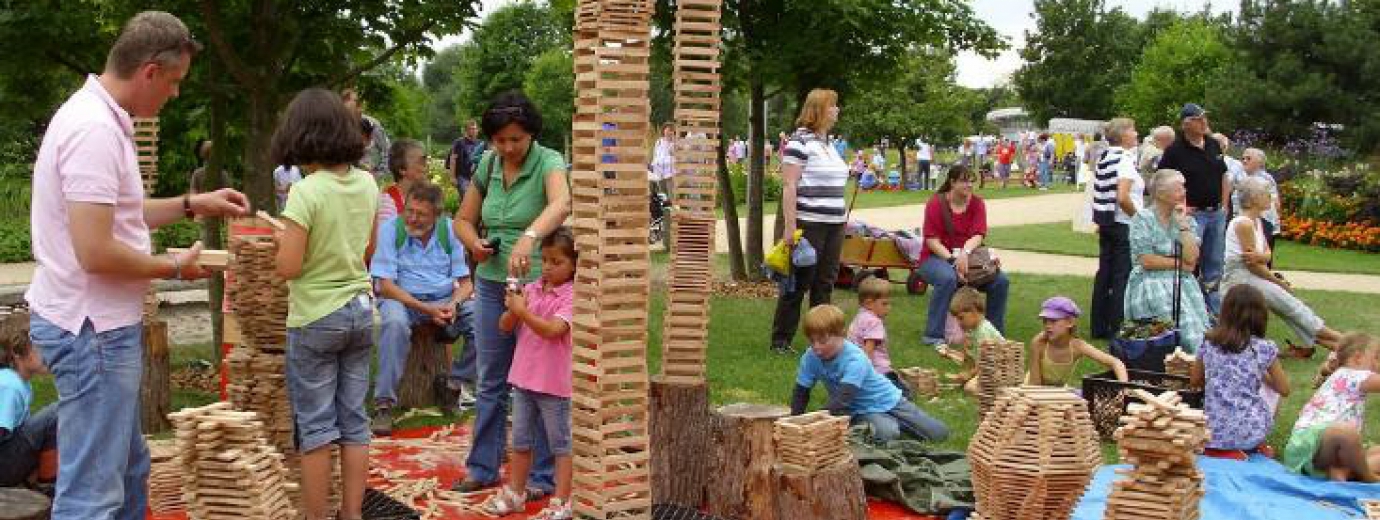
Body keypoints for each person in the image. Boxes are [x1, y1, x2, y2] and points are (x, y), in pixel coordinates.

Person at [25, 12, 250, 519]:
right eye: (173, 82)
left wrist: (194, 204)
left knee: (129, 471)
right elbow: (95, 251)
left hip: (97, 329)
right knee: (92, 495)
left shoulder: (102, 118)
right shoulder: (93, 130)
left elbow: (120, 212)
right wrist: (172, 267)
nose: (173, 95)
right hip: (93, 334)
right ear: (150, 70)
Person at [453, 90, 571, 495]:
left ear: (531, 135)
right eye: (500, 140)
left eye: (515, 139)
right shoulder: (487, 163)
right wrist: (475, 244)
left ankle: (541, 477)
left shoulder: (550, 161)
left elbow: (562, 203)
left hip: (540, 288)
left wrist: (530, 237)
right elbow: (463, 219)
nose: (507, 147)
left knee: (537, 383)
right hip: (491, 283)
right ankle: (483, 466)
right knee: (490, 379)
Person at [272, 87, 380, 520]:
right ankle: (351, 514)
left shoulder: (305, 191)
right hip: (360, 309)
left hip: (316, 316)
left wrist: (285, 242)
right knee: (354, 420)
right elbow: (369, 249)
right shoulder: (367, 183)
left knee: (315, 427)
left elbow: (289, 266)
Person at [479, 228, 577, 520]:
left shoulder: (573, 296)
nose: (547, 267)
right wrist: (513, 306)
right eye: (544, 259)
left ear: (574, 265)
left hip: (555, 384)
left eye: (556, 261)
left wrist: (522, 312)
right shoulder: (532, 288)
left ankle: (561, 499)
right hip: (523, 379)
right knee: (520, 441)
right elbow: (504, 326)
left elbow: (552, 331)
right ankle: (516, 492)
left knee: (561, 444)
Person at [369, 182, 477, 435]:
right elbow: (385, 286)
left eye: (421, 214)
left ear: (437, 216)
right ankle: (384, 404)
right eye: (410, 211)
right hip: (402, 299)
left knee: (483, 321)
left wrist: (453, 304)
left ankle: (453, 383)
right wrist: (427, 310)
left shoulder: (450, 230)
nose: (413, 219)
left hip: (443, 299)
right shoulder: (389, 230)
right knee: (394, 324)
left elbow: (466, 283)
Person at [790, 305, 949, 443]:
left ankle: (896, 421)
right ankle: (870, 423)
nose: (816, 347)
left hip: (888, 401)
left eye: (822, 341)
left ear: (841, 335)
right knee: (887, 433)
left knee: (939, 434)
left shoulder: (855, 359)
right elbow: (801, 391)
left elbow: (844, 397)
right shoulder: (810, 357)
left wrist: (814, 422)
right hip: (855, 409)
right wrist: (794, 421)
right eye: (812, 341)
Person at [769, 89, 849, 354]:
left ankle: (822, 339)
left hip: (834, 225)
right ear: (819, 110)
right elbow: (790, 186)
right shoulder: (799, 142)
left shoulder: (828, 144)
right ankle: (781, 341)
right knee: (799, 284)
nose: (837, 111)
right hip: (809, 223)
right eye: (833, 106)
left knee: (824, 283)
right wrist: (790, 229)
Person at [1222, 177, 1344, 350]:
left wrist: (1262, 257)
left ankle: (1338, 345)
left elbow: (1266, 255)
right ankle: (1346, 343)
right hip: (1241, 280)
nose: (1270, 198)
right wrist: (1278, 282)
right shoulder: (1244, 224)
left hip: (1253, 276)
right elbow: (1253, 265)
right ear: (1253, 199)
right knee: (1293, 307)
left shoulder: (1257, 221)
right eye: (1266, 194)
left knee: (1290, 310)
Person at [1190, 285, 1290, 458]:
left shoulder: (1209, 342)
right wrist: (1262, 374)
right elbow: (1284, 389)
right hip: (1250, 429)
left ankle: (1224, 450)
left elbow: (1195, 381)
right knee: (1270, 395)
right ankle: (1252, 445)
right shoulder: (1264, 348)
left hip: (1211, 431)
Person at [918, 165, 1010, 351]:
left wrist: (965, 254)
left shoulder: (977, 203)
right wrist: (954, 262)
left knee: (1001, 281)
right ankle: (933, 335)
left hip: (968, 257)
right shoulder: (935, 203)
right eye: (964, 181)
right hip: (935, 258)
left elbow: (978, 235)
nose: (969, 185)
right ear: (952, 182)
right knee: (947, 278)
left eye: (971, 181)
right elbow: (932, 242)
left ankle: (992, 335)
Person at [1124, 169, 1210, 351]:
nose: (1184, 192)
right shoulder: (1143, 219)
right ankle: (1189, 363)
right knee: (1179, 328)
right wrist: (1180, 264)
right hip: (1150, 282)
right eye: (1179, 188)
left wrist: (1183, 227)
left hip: (1183, 283)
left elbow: (1192, 259)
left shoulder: (1186, 221)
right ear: (1162, 193)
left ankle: (1197, 364)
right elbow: (1146, 261)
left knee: (1198, 327)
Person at [1157, 103, 1229, 312]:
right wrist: (1179, 206)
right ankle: (1189, 305)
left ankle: (1214, 310)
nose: (1204, 122)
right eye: (1198, 119)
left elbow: (1224, 175)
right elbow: (1162, 181)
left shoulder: (1213, 144)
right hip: (1192, 214)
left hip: (1215, 212)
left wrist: (1224, 205)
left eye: (1204, 118)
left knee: (1214, 262)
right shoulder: (1175, 151)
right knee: (1189, 260)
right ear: (1186, 124)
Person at [1281, 333, 1380, 481]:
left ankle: (1343, 473)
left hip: (1317, 451)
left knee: (1373, 451)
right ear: (1358, 358)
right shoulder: (1353, 375)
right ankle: (1368, 477)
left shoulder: (1340, 375)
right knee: (1346, 432)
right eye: (1377, 357)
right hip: (1316, 446)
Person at [1089, 118, 1141, 340]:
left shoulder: (1105, 157)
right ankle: (1117, 325)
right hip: (1123, 223)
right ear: (1123, 136)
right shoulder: (1124, 160)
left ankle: (1099, 324)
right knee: (1122, 275)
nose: (1136, 134)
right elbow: (1123, 196)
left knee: (1105, 274)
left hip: (1107, 221)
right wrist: (1140, 219)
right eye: (1132, 130)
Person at [0, 313, 57, 489]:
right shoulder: (10, 385)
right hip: (3, 466)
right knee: (56, 413)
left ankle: (39, 483)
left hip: (8, 460)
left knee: (50, 423)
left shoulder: (20, 384)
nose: (50, 352)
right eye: (41, 346)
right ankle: (45, 488)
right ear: (17, 353)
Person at [1025, 297, 1128, 389]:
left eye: (1053, 321)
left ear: (1070, 322)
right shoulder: (1039, 343)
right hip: (1034, 392)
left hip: (1058, 392)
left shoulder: (1077, 346)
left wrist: (1124, 389)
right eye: (1045, 321)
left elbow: (1116, 363)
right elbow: (1035, 385)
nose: (1047, 325)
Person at [849, 277, 907, 397]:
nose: (889, 308)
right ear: (869, 303)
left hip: (855, 368)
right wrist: (867, 373)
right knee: (904, 393)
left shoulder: (860, 316)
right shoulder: (874, 322)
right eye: (884, 304)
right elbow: (868, 351)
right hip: (877, 371)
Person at [942, 287, 1004, 395]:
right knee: (967, 383)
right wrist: (950, 354)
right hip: (987, 369)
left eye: (961, 318)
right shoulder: (973, 330)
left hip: (999, 371)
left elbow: (988, 362)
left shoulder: (984, 332)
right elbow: (969, 358)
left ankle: (999, 391)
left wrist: (969, 374)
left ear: (974, 311)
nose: (958, 323)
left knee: (970, 388)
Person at [1229, 148, 1282, 257]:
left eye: (1248, 158)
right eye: (1243, 158)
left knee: (1260, 252)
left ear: (1259, 162)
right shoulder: (1238, 175)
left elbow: (1275, 203)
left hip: (1262, 220)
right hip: (1240, 219)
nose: (1244, 161)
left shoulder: (1266, 179)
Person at [376, 139, 431, 228]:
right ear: (402, 169)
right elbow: (385, 239)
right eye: (422, 162)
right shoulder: (387, 203)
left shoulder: (425, 197)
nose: (427, 166)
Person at [341, 87, 390, 180]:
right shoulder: (337, 127)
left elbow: (386, 150)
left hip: (371, 178)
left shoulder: (372, 124)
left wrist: (379, 174)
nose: (348, 104)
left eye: (354, 100)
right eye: (344, 100)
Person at [448, 119, 487, 197]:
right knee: (467, 197)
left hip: (477, 177)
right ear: (466, 130)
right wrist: (452, 177)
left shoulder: (481, 144)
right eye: (471, 129)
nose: (474, 131)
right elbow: (453, 159)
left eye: (475, 129)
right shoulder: (459, 142)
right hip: (463, 177)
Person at [650, 123, 677, 197]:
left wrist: (674, 144)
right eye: (667, 130)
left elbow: (678, 156)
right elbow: (655, 155)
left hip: (670, 171)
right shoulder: (658, 142)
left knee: (671, 192)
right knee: (662, 193)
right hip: (659, 170)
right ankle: (664, 208)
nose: (669, 132)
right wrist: (653, 165)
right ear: (664, 131)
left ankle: (672, 207)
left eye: (671, 130)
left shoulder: (675, 143)